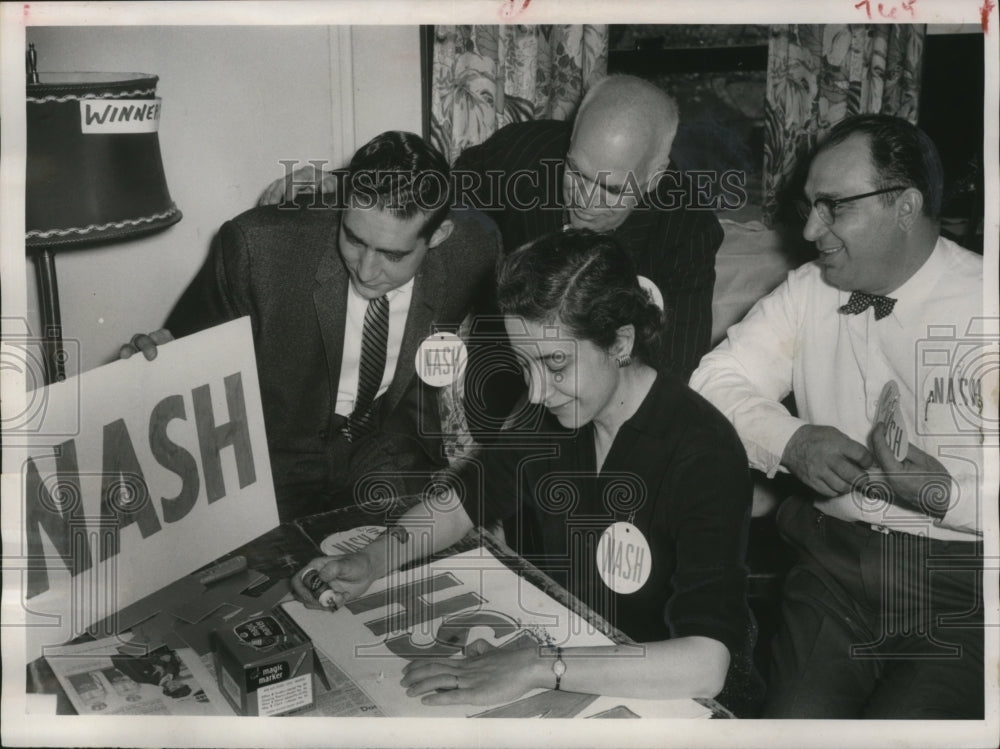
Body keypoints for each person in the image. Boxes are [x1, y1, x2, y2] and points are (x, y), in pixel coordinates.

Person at [291, 229, 763, 717]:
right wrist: (375, 558)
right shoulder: (556, 411)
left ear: (620, 342)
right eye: (524, 364)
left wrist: (538, 665)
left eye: (556, 362)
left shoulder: (702, 453)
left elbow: (707, 663)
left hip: (669, 693)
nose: (537, 392)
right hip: (570, 643)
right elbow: (465, 500)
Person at [690, 114, 989, 718]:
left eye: (833, 207)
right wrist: (791, 439)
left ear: (905, 206)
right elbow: (712, 381)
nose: (809, 228)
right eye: (808, 205)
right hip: (831, 572)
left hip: (968, 591)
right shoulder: (809, 291)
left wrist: (941, 492)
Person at [122, 131, 500, 522]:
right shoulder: (256, 249)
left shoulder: (475, 249)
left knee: (412, 564)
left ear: (438, 236)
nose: (367, 270)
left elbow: (501, 363)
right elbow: (184, 358)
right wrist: (153, 364)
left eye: (393, 255)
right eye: (354, 239)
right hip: (275, 455)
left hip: (387, 447)